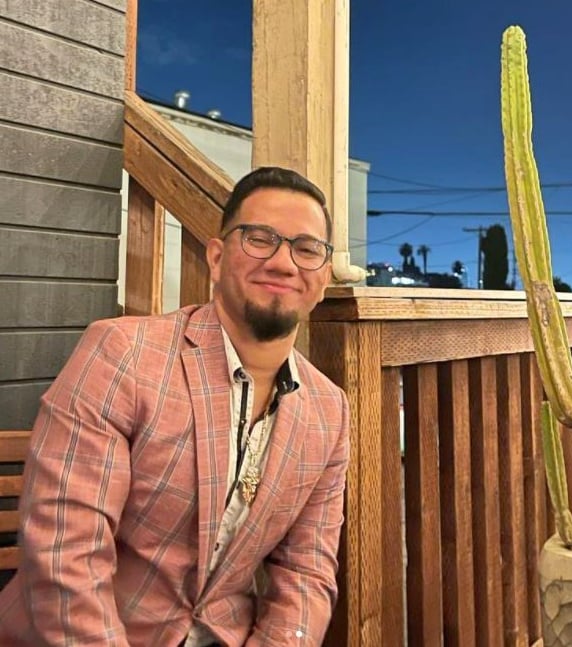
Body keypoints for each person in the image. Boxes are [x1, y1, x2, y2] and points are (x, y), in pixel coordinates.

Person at [0, 167, 350, 646]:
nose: (284, 263)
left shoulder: (329, 410)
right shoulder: (124, 354)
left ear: (323, 276)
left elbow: (306, 572)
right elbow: (67, 555)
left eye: (306, 249)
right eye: (260, 238)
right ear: (217, 257)